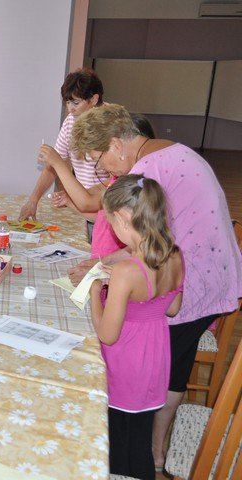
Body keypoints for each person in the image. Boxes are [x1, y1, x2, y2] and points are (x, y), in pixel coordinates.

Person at [70, 103, 242, 470]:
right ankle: (154, 448)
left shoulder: (146, 172)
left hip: (196, 279)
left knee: (157, 368)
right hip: (203, 272)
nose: (105, 170)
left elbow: (145, 247)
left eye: (100, 160)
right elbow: (154, 242)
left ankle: (148, 450)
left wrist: (105, 275)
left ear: (117, 144)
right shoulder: (170, 149)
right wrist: (109, 262)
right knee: (173, 365)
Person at [90, 175, 184, 479]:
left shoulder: (126, 271)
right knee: (139, 442)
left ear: (122, 218)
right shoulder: (174, 255)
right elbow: (172, 308)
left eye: (111, 223)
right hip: (156, 360)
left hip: (125, 366)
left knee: (117, 445)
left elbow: (107, 334)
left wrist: (95, 293)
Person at [40, 113, 155, 260]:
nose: (100, 166)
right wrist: (69, 200)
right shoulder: (116, 178)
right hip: (103, 258)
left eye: (97, 158)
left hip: (114, 262)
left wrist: (58, 164)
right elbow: (95, 206)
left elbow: (87, 202)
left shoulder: (131, 186)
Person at [19, 68, 109, 242]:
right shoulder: (70, 122)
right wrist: (33, 200)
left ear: (94, 99)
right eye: (67, 103)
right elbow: (53, 165)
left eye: (75, 103)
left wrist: (79, 198)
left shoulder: (111, 124)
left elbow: (115, 181)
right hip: (82, 206)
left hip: (104, 209)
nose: (70, 109)